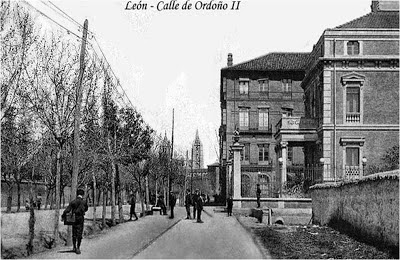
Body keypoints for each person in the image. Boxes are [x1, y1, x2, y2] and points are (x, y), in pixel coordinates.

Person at [61, 189, 88, 255]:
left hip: (74, 218)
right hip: (81, 218)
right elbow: (86, 209)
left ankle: (74, 247)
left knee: (74, 232)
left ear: (77, 194)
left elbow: (67, 210)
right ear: (83, 195)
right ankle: (78, 247)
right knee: (79, 233)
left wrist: (63, 216)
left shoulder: (73, 202)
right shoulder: (84, 202)